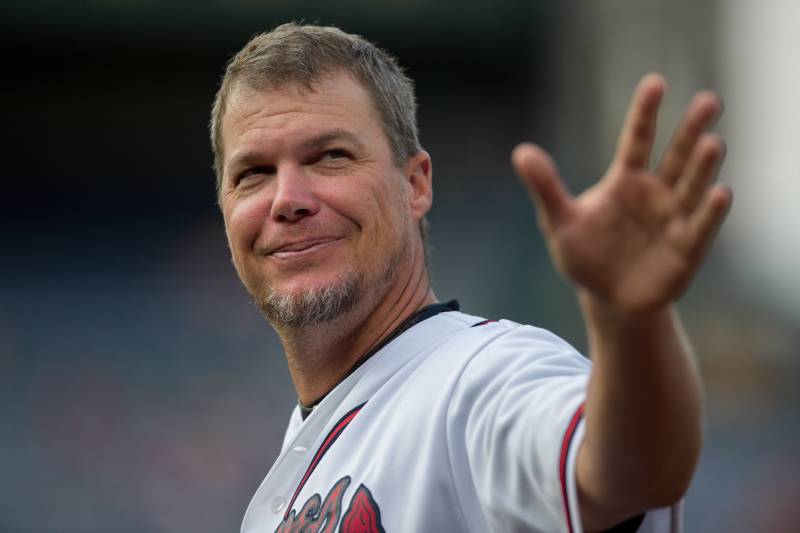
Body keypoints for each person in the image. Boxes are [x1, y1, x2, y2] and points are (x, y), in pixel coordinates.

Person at [209, 23, 731, 533]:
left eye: (330, 157)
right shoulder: (313, 446)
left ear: (415, 185)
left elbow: (628, 472)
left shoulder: (477, 380)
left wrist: (632, 319)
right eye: (253, 173)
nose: (287, 200)